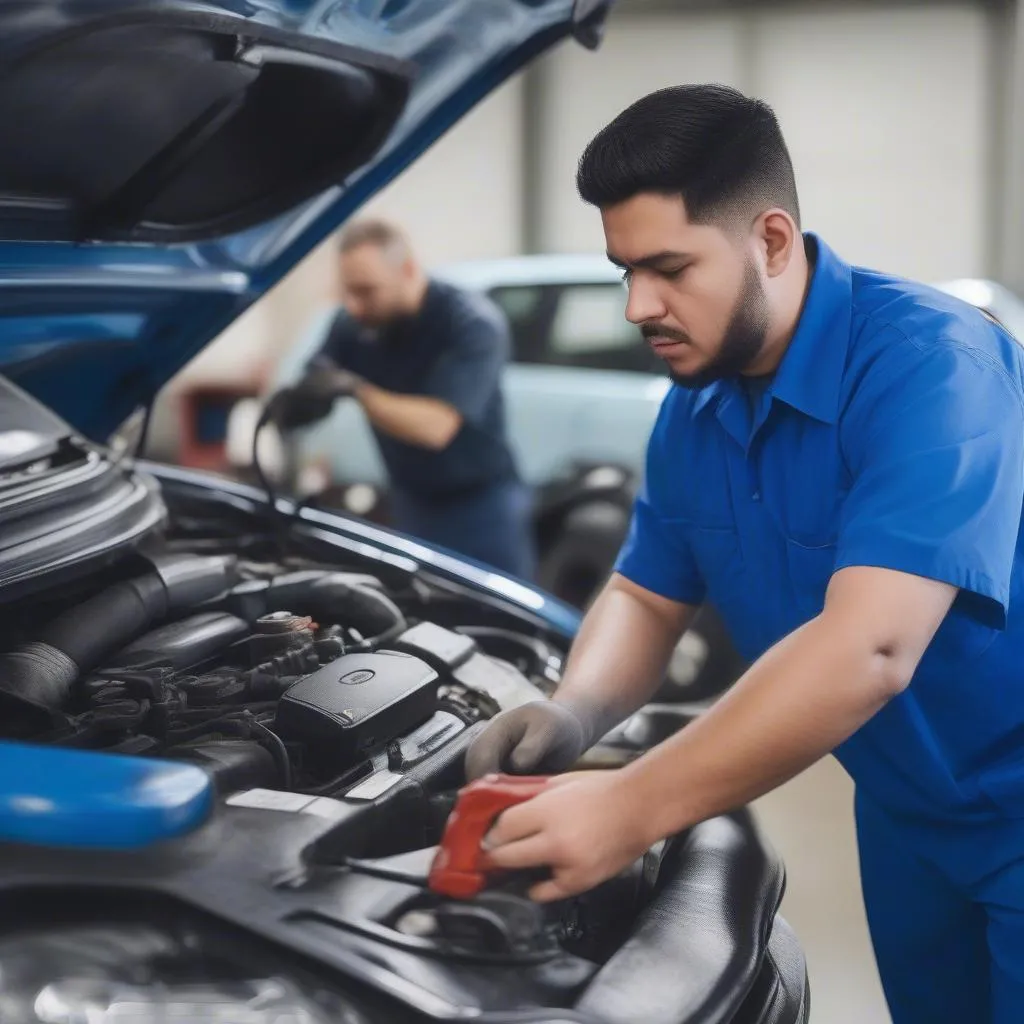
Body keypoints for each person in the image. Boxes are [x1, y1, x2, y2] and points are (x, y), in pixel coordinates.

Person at [465, 84, 1024, 1024]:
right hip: (906, 818)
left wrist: (631, 807)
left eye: (669, 267)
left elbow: (871, 650)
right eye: (625, 269)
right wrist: (573, 714)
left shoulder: (932, 368)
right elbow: (649, 594)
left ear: (770, 240)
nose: (639, 305)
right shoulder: (697, 408)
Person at [283, 218, 534, 579]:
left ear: (408, 270)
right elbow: (316, 378)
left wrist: (355, 389)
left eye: (367, 291)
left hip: (483, 510)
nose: (354, 306)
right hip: (412, 503)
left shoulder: (470, 323)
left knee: (502, 625)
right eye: (348, 292)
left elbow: (435, 428)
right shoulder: (354, 324)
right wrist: (297, 402)